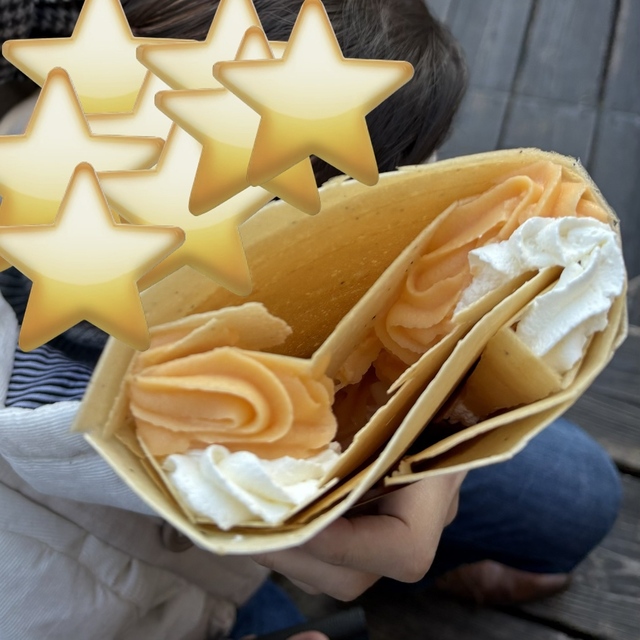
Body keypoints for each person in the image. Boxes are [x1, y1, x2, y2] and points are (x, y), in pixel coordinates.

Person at [0, 0, 622, 638]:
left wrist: (437, 395)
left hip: (294, 422)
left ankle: (429, 568)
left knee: (580, 497)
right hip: (127, 596)